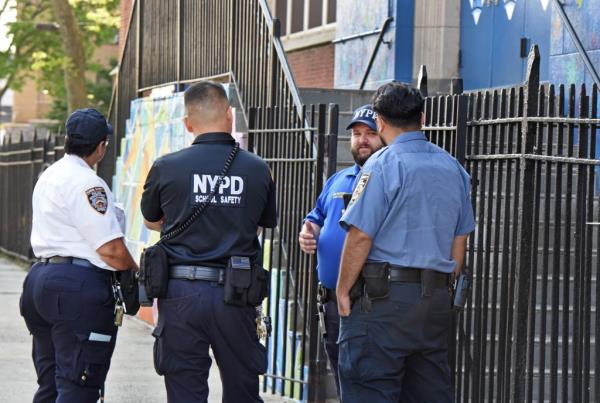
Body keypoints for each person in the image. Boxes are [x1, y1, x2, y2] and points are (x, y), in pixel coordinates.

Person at [336, 82, 475, 402]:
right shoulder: (453, 168)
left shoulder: (382, 164)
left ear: (380, 123)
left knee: (370, 389)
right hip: (434, 302)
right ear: (422, 118)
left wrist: (343, 290)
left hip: (383, 303)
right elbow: (459, 241)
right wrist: (443, 287)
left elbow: (360, 236)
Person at [140, 81, 277, 403]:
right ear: (229, 115)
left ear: (188, 123)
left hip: (181, 293)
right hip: (236, 292)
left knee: (185, 389)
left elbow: (150, 220)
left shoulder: (166, 166)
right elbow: (261, 225)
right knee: (242, 388)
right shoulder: (258, 170)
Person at [20, 108, 139, 403]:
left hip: (41, 281)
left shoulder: (50, 174)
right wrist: (135, 274)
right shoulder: (89, 184)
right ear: (101, 147)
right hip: (76, 289)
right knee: (79, 386)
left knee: (51, 384)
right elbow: (110, 249)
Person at [298, 104, 383, 396]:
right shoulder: (337, 180)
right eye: (357, 133)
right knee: (343, 379)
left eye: (370, 133)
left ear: (384, 135)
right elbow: (316, 217)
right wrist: (308, 232)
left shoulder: (386, 178)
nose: (362, 140)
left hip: (369, 302)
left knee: (367, 383)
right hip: (332, 301)